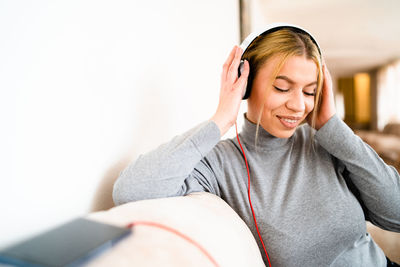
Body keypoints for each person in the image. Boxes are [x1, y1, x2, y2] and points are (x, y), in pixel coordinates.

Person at [112, 24, 400, 266]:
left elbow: (395, 214)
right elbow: (131, 190)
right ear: (245, 83)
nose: (299, 105)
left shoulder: (326, 144)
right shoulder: (222, 163)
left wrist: (335, 129)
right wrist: (222, 118)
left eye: (310, 91)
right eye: (282, 87)